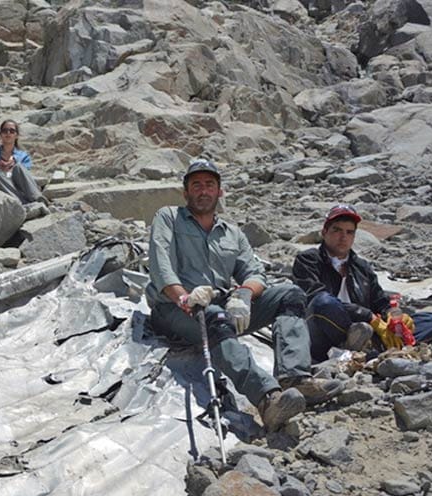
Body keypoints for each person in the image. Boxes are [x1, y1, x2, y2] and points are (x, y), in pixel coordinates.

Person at [147, 159, 343, 431]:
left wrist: (243, 294)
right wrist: (184, 297)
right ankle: (267, 400)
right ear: (186, 192)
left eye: (210, 185)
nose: (203, 191)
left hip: (218, 306)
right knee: (215, 317)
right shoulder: (168, 218)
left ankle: (294, 378)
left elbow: (255, 272)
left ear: (220, 192)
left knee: (290, 294)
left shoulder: (232, 234)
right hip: (173, 309)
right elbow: (160, 265)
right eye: (196, 185)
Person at [292, 204, 432, 362]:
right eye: (337, 230)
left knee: (430, 321)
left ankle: (373, 349)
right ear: (324, 232)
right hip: (325, 331)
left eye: (349, 232)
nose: (343, 237)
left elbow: (380, 301)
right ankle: (370, 348)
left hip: (367, 330)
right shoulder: (308, 260)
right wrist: (369, 317)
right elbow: (313, 297)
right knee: (323, 302)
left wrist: (395, 316)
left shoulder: (361, 267)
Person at [0, 120, 46, 204]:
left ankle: (37, 198)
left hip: (15, 183)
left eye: (12, 131)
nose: (8, 133)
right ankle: (20, 202)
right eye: (5, 130)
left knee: (18, 167)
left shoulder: (23, 156)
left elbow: (25, 175)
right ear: (0, 134)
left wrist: (11, 169)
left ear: (16, 135)